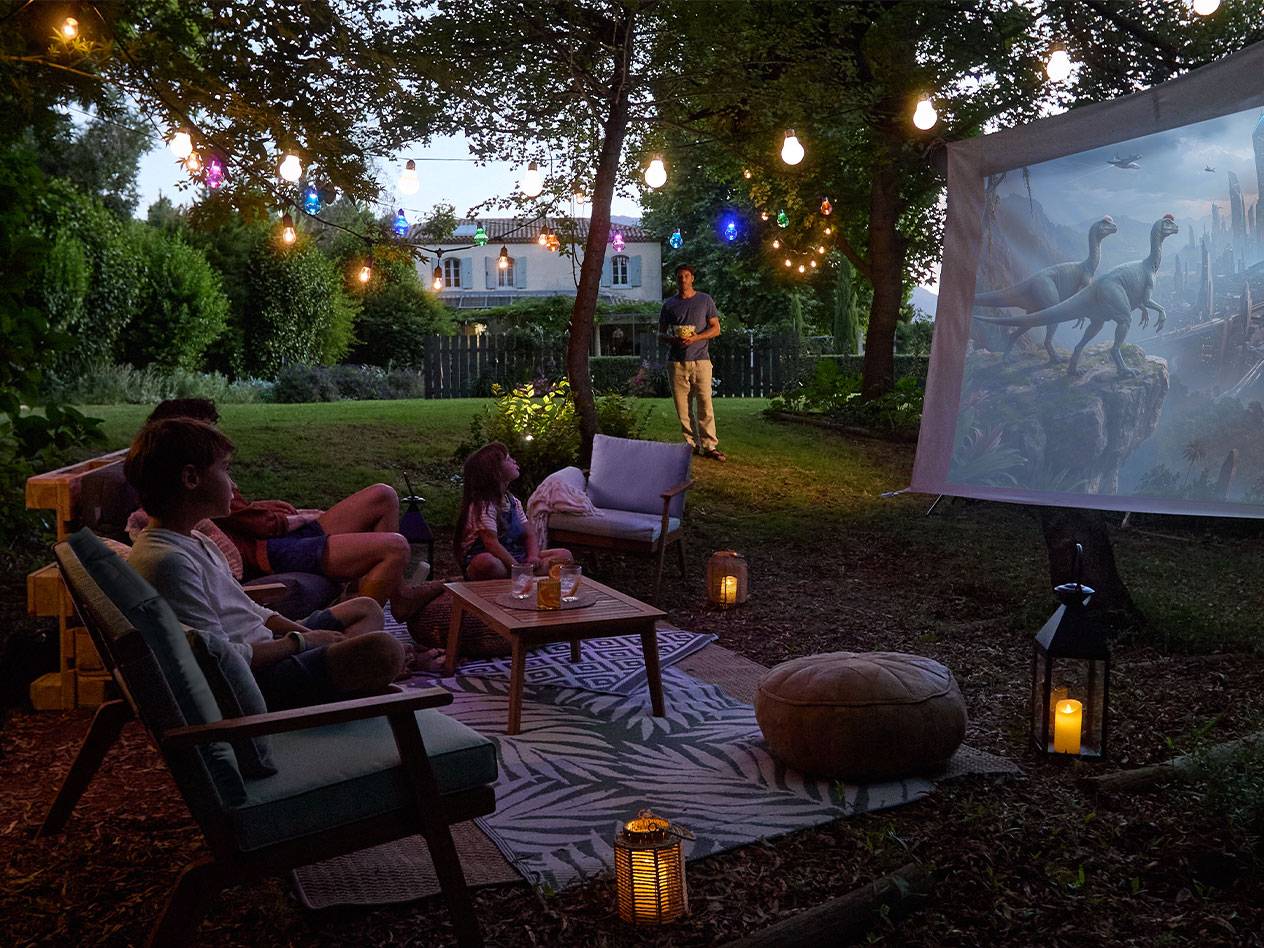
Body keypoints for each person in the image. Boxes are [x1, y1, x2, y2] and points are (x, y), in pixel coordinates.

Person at [124, 417, 404, 710]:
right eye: (225, 469)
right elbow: (221, 659)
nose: (233, 483)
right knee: (385, 651)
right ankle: (333, 693)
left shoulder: (196, 540)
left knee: (366, 609)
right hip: (260, 677)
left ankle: (339, 677)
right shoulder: (166, 562)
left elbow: (250, 609)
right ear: (191, 478)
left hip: (269, 644)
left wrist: (309, 635)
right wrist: (300, 644)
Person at [142, 399, 441, 620]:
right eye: (206, 430)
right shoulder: (187, 485)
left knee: (383, 495)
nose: (215, 437)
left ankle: (398, 595)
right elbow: (260, 524)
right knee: (395, 547)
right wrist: (294, 518)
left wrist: (284, 513)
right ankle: (364, 632)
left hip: (278, 541)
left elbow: (246, 511)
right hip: (268, 552)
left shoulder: (195, 481)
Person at [456, 442, 571, 579]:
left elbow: (529, 534)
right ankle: (522, 576)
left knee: (564, 555)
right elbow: (491, 543)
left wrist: (532, 556)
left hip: (516, 557)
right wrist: (518, 569)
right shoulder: (484, 505)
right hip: (494, 559)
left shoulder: (513, 502)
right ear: (494, 472)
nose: (514, 460)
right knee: (487, 563)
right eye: (508, 459)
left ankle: (520, 576)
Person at [660, 263, 726, 461]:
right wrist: (674, 339)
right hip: (677, 362)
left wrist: (696, 338)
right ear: (676, 279)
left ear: (692, 278)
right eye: (680, 276)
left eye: (686, 276)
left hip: (701, 361)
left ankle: (709, 445)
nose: (683, 279)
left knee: (705, 403)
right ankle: (691, 445)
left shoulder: (705, 300)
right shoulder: (669, 305)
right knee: (683, 407)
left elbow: (716, 329)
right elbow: (660, 333)